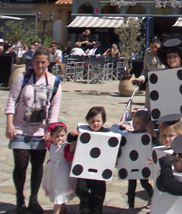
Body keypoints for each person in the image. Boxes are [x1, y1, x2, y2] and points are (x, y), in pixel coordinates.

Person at [5, 46, 62, 214]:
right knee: (21, 165)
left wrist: (50, 131)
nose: (40, 65)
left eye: (43, 62)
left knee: (37, 165)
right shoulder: (22, 78)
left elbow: (54, 109)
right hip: (20, 129)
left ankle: (33, 199)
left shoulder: (54, 82)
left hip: (40, 131)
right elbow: (11, 102)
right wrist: (9, 125)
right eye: (37, 62)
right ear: (32, 62)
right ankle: (19, 198)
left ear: (48, 63)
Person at [70, 106, 110, 214]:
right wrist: (72, 135)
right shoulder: (82, 131)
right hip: (84, 168)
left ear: (103, 121)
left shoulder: (107, 133)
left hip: (99, 168)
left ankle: (96, 211)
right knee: (80, 189)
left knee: (98, 193)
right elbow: (69, 141)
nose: (95, 123)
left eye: (98, 121)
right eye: (92, 121)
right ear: (87, 121)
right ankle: (86, 210)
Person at [41, 122, 76, 214]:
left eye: (62, 135)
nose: (60, 138)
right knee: (55, 189)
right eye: (57, 136)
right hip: (52, 171)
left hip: (62, 171)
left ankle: (56, 211)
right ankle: (63, 209)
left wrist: (71, 150)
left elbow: (68, 158)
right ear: (51, 137)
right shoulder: (51, 145)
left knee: (59, 191)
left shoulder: (65, 146)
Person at [124, 110, 154, 212]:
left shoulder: (148, 134)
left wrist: (153, 134)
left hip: (143, 163)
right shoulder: (130, 134)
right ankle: (131, 206)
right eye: (133, 122)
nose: (134, 125)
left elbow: (155, 142)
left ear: (145, 123)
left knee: (144, 182)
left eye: (137, 122)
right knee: (131, 185)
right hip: (132, 164)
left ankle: (152, 196)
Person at [131, 37, 165, 111]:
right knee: (149, 108)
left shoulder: (165, 53)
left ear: (160, 44)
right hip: (151, 84)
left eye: (156, 47)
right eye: (152, 47)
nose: (154, 49)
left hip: (163, 84)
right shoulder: (148, 53)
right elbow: (146, 69)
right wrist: (141, 78)